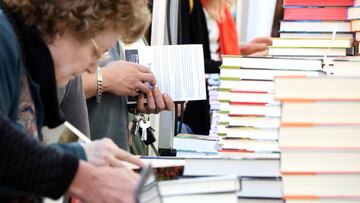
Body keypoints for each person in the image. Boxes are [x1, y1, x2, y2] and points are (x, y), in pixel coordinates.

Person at [0, 0, 151, 202]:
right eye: (96, 53)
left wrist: (81, 154)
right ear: (66, 23)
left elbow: (18, 161)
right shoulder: (4, 41)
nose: (92, 68)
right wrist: (79, 176)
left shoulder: (25, 56)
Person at [180, 0, 273, 135]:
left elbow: (212, 51)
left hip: (213, 94)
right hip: (197, 103)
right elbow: (189, 61)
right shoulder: (188, 5)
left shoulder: (218, 6)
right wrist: (240, 64)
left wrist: (242, 51)